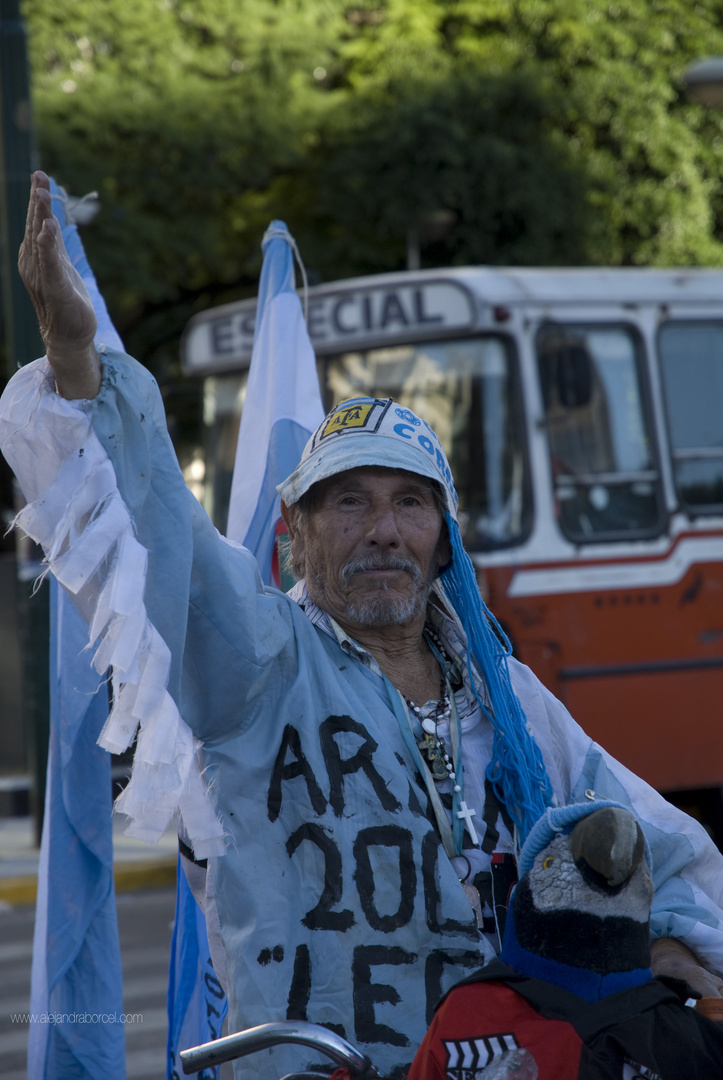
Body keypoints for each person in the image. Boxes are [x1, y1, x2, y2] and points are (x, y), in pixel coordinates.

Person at [2, 172, 723, 1078]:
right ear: (293, 535)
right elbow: (160, 532)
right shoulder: (255, 660)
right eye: (349, 502)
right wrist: (78, 366)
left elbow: (652, 842)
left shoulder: (505, 700)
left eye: (409, 504)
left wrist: (677, 944)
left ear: (443, 538)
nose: (384, 530)